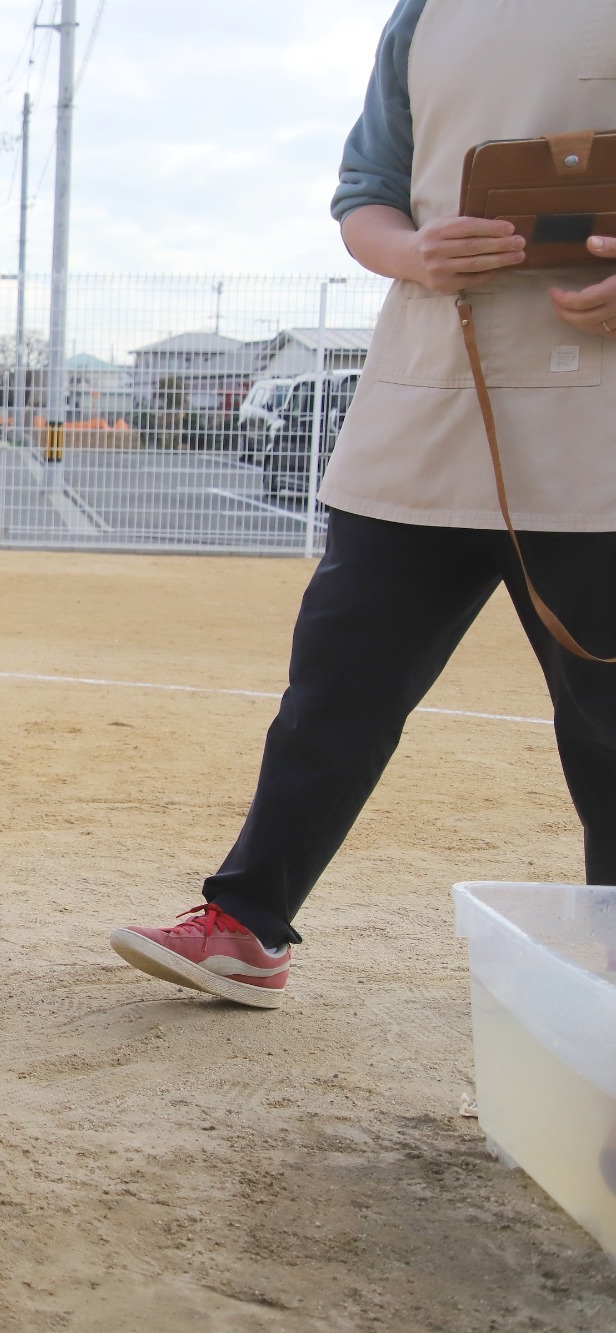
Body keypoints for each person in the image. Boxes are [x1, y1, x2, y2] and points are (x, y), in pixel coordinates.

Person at [111, 0, 616, 1007]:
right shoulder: (425, 10)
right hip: (427, 394)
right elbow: (367, 195)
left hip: (594, 417)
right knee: (336, 685)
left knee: (603, 719)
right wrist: (413, 252)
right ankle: (244, 924)